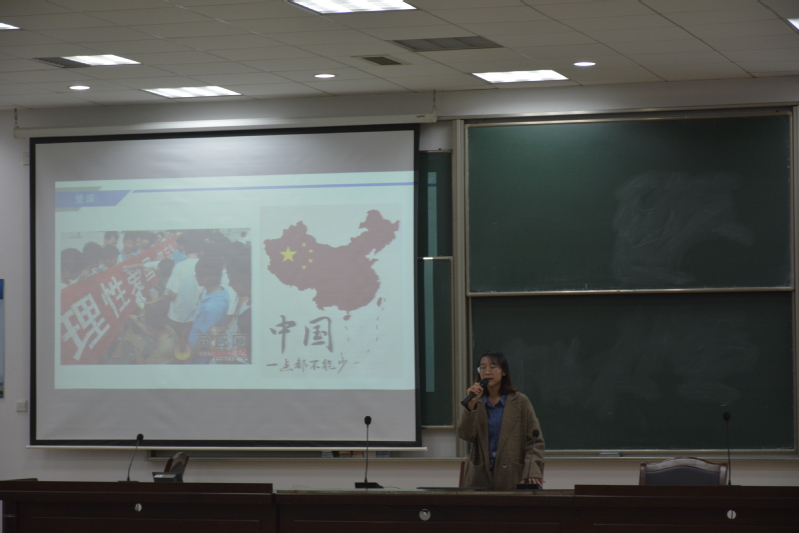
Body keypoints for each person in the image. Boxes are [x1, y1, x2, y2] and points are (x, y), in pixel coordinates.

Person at [457, 351, 545, 491]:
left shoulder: (520, 402)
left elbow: (535, 441)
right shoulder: (476, 402)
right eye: (483, 368)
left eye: (493, 367)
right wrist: (470, 406)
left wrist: (532, 469)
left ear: (504, 372)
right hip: (479, 477)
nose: (487, 372)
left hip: (512, 475)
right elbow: (466, 435)